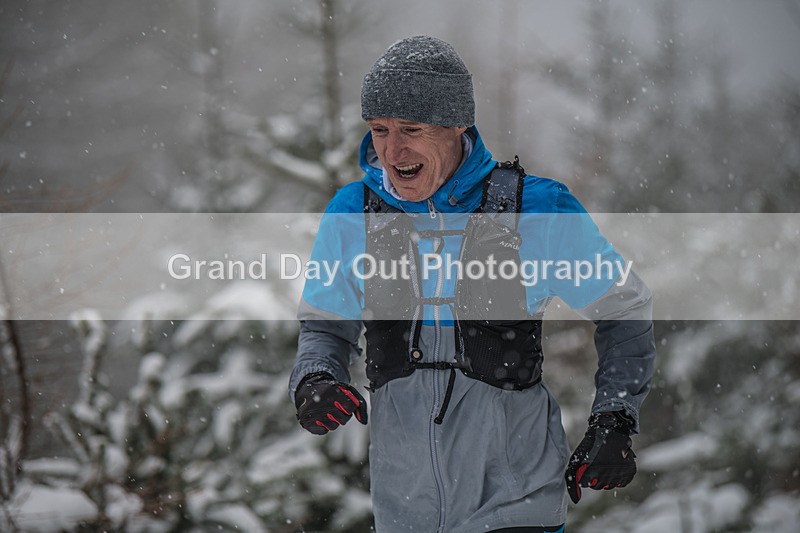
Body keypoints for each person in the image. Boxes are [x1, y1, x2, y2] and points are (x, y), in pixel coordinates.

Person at [289, 36, 655, 532]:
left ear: (458, 125)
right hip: (404, 508)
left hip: (515, 501)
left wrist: (614, 417)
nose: (392, 150)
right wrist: (315, 378)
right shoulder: (354, 213)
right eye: (378, 130)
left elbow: (623, 307)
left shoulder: (535, 209)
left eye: (411, 130)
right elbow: (326, 327)